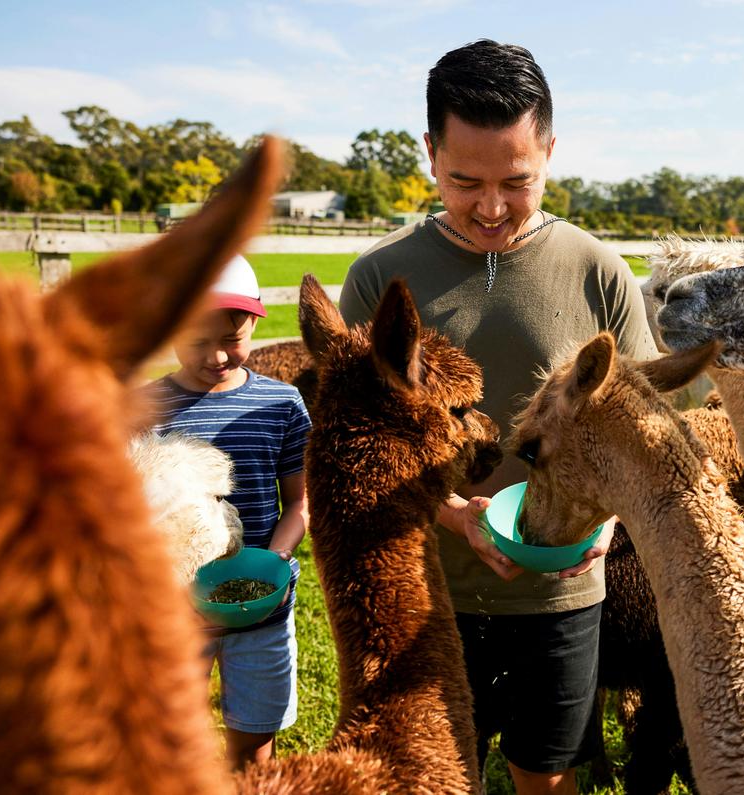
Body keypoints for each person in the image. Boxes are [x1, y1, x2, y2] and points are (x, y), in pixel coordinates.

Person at [338, 39, 657, 795]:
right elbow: (352, 446)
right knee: (430, 776)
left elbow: (639, 429)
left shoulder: (598, 272)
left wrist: (604, 521)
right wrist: (451, 513)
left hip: (562, 592)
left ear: (551, 150)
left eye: (518, 181)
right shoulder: (380, 278)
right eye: (464, 181)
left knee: (545, 775)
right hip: (422, 591)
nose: (490, 206)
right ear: (429, 154)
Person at [143, 254, 311, 770]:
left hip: (260, 609)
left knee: (254, 747)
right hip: (171, 613)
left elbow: (302, 501)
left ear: (255, 321)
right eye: (197, 340)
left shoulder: (281, 405)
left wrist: (275, 564)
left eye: (232, 338)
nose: (216, 355)